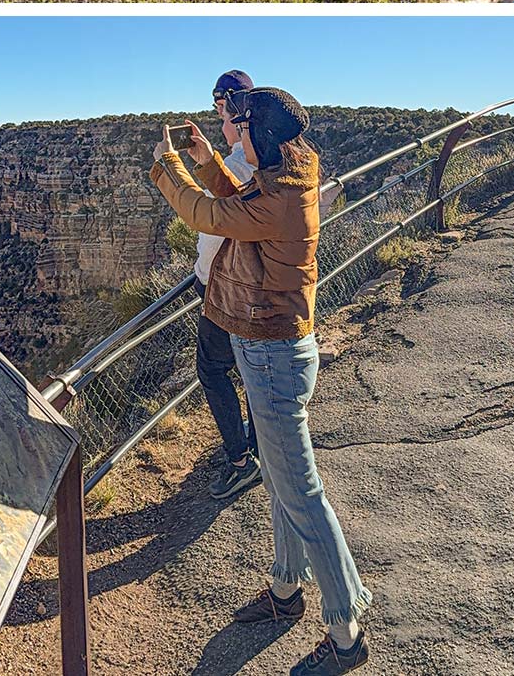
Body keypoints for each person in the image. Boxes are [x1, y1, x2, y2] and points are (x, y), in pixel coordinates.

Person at [151, 87, 373, 676]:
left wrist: (169, 165)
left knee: (302, 495)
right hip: (269, 349)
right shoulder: (289, 170)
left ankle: (346, 630)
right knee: (280, 482)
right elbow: (241, 200)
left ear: (262, 136)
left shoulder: (279, 199)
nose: (235, 131)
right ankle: (284, 590)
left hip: (272, 356)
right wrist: (207, 159)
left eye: (240, 125)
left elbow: (205, 214)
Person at [195, 69, 262, 500]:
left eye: (221, 113)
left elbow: (208, 216)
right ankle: (261, 444)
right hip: (255, 287)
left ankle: (240, 461)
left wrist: (171, 167)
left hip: (223, 288)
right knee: (253, 370)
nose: (218, 123)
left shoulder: (237, 165)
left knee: (213, 369)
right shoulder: (273, 161)